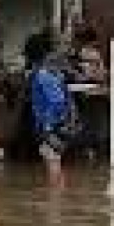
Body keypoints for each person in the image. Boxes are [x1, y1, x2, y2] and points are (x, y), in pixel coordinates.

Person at [25, 31, 78, 177]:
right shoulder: (51, 73)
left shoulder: (43, 75)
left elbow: (56, 101)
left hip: (51, 126)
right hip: (57, 125)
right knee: (54, 161)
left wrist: (47, 126)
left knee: (52, 161)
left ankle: (55, 196)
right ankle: (57, 194)